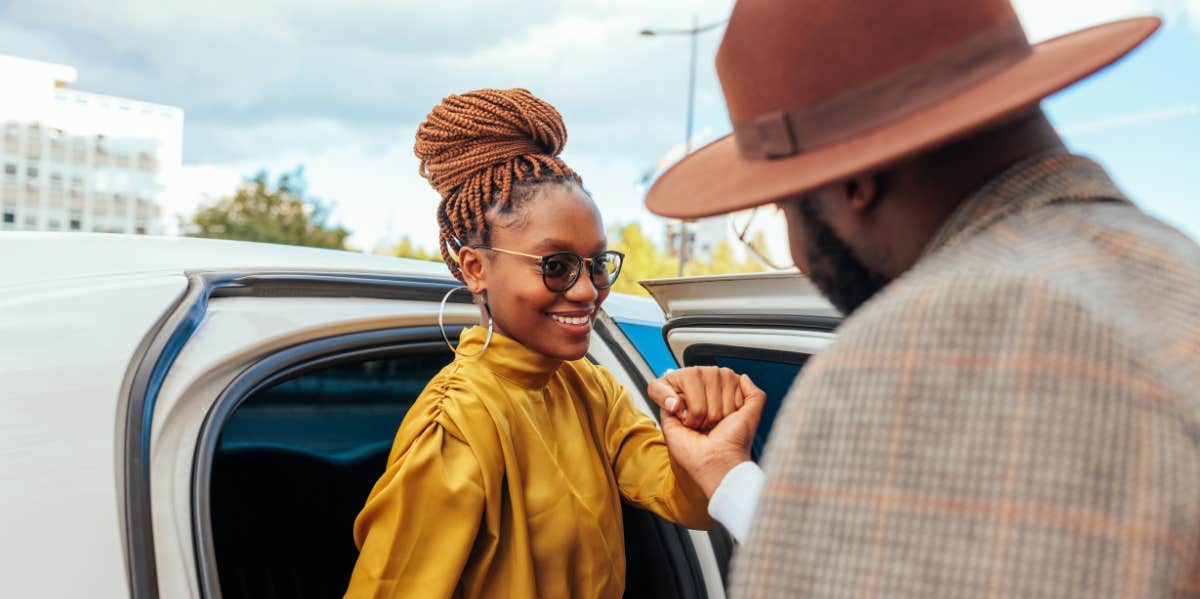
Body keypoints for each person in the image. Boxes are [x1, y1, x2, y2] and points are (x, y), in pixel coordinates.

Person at [644, 0, 1200, 596]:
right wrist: (725, 476)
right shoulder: (1174, 271)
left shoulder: (924, 348)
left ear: (853, 181)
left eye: (785, 206)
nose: (801, 255)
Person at [344, 88, 757, 599]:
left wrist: (710, 441)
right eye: (555, 267)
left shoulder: (589, 387)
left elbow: (684, 500)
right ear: (475, 268)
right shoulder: (454, 427)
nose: (587, 291)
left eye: (597, 264)